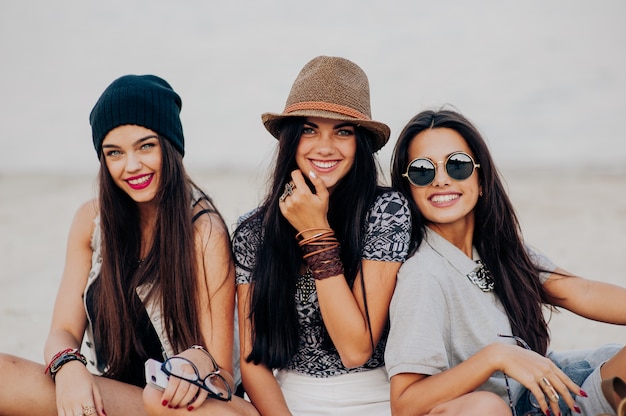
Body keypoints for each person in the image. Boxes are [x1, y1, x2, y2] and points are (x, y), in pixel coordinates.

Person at [0, 75, 258, 416]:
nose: (131, 165)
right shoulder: (91, 223)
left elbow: (222, 373)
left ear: (170, 146)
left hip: (178, 407)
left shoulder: (204, 232)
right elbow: (62, 330)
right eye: (114, 153)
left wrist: (193, 362)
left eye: (146, 146)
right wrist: (69, 367)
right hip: (114, 401)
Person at [385, 108, 626, 416]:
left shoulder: (499, 247)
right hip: (494, 410)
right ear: (408, 188)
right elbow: (405, 404)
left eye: (457, 165)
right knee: (486, 406)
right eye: (422, 170)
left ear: (482, 178)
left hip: (551, 392)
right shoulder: (422, 275)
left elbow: (579, 291)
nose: (441, 180)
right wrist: (494, 357)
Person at [232, 55, 412, 416]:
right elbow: (253, 363)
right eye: (310, 130)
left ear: (360, 142)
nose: (325, 147)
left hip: (375, 397)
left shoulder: (387, 211)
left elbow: (355, 349)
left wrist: (316, 233)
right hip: (286, 401)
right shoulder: (253, 230)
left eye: (343, 131)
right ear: (291, 139)